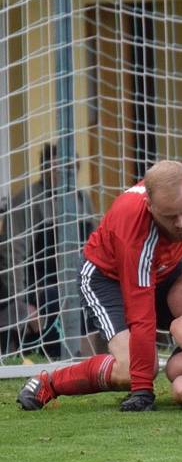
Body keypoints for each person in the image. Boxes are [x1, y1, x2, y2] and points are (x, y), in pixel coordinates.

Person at [17, 160, 182, 411]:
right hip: (108, 279)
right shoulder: (134, 227)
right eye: (170, 216)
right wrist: (143, 390)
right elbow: (141, 316)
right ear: (150, 205)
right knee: (132, 370)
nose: (180, 222)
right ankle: (49, 383)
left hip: (165, 265)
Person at [1, 143, 95, 359]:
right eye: (57, 170)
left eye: (70, 169)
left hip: (76, 283)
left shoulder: (82, 200)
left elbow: (95, 249)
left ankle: (90, 360)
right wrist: (21, 305)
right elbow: (12, 255)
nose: (64, 175)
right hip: (39, 291)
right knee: (60, 296)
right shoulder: (28, 200)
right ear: (45, 170)